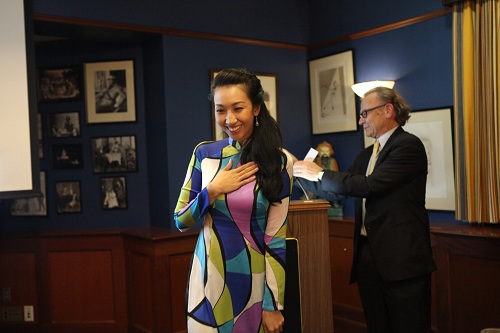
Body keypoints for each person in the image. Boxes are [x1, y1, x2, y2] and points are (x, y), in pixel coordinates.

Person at [293, 87, 436, 333]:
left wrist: (320, 173)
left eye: (365, 113)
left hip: (402, 260)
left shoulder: (408, 146)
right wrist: (300, 173)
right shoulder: (367, 155)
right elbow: (340, 190)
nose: (361, 120)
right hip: (368, 258)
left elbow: (370, 185)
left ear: (388, 110)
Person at [174, 68, 293, 333]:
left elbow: (276, 238)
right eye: (220, 110)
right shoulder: (204, 154)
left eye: (238, 108)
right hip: (207, 279)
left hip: (253, 281)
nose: (229, 119)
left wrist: (273, 304)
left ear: (256, 108)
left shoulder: (277, 162)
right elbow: (181, 220)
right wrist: (212, 190)